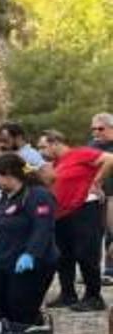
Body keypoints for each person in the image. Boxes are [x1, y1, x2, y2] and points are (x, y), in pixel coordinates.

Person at [0, 153, 58, 330]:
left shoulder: (37, 195)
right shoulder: (7, 196)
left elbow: (43, 228)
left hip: (29, 265)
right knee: (1, 310)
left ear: (8, 174)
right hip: (3, 262)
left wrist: (31, 254)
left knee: (21, 311)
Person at [37, 130, 113, 311]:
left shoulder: (80, 153)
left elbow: (109, 158)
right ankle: (68, 294)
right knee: (63, 256)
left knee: (86, 253)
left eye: (43, 146)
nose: (40, 151)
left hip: (83, 208)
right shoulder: (56, 164)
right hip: (62, 214)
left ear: (55, 142)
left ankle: (93, 296)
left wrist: (97, 182)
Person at [89, 113, 113, 282]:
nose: (96, 132)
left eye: (100, 128)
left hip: (112, 194)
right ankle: (95, 271)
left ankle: (110, 270)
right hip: (95, 196)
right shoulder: (92, 146)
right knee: (95, 233)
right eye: (93, 129)